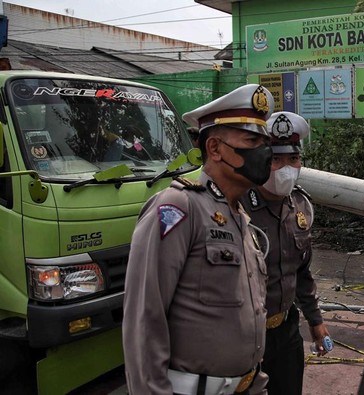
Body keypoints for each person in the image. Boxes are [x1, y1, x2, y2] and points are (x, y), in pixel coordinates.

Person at [122, 84, 275, 395]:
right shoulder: (180, 207)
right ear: (215, 148)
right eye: (252, 140)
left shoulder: (240, 216)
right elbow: (144, 318)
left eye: (264, 142)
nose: (264, 151)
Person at [240, 111, 331, 395]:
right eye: (276, 159)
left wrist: (315, 320)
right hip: (244, 335)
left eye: (293, 159)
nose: (286, 168)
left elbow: (301, 272)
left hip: (287, 328)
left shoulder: (300, 206)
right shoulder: (237, 206)